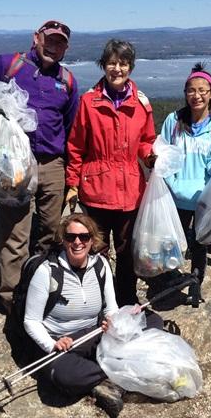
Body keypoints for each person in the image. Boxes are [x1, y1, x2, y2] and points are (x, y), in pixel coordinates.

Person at [0, 20, 79, 313]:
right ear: (36, 38)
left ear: (66, 49)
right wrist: (2, 114)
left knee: (50, 230)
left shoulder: (68, 81)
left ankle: (40, 290)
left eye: (60, 43)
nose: (54, 47)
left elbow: (71, 128)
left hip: (52, 163)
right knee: (15, 232)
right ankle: (11, 298)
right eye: (50, 40)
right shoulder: (9, 65)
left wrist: (71, 175)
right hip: (14, 163)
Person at [23, 213, 161, 417]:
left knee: (152, 320)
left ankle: (105, 374)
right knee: (64, 375)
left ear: (92, 239)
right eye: (71, 237)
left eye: (84, 237)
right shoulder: (47, 272)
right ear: (63, 240)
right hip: (62, 344)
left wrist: (114, 323)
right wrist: (52, 344)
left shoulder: (100, 265)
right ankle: (120, 370)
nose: (77, 242)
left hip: (94, 332)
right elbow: (31, 321)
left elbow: (110, 308)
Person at [65, 39, 156, 307]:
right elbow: (76, 146)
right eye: (112, 63)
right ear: (103, 65)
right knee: (97, 250)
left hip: (130, 192)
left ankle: (126, 299)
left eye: (123, 63)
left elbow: (146, 139)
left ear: (131, 67)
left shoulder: (141, 104)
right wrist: (72, 183)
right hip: (96, 191)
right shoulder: (88, 102)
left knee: (127, 251)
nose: (117, 68)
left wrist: (150, 155)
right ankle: (99, 300)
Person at [161, 63, 211, 305]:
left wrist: (210, 193)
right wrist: (172, 184)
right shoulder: (173, 121)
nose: (196, 95)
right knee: (172, 239)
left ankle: (195, 286)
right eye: (191, 90)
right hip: (175, 193)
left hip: (203, 196)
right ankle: (170, 276)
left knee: (199, 243)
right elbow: (165, 155)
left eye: (202, 90)